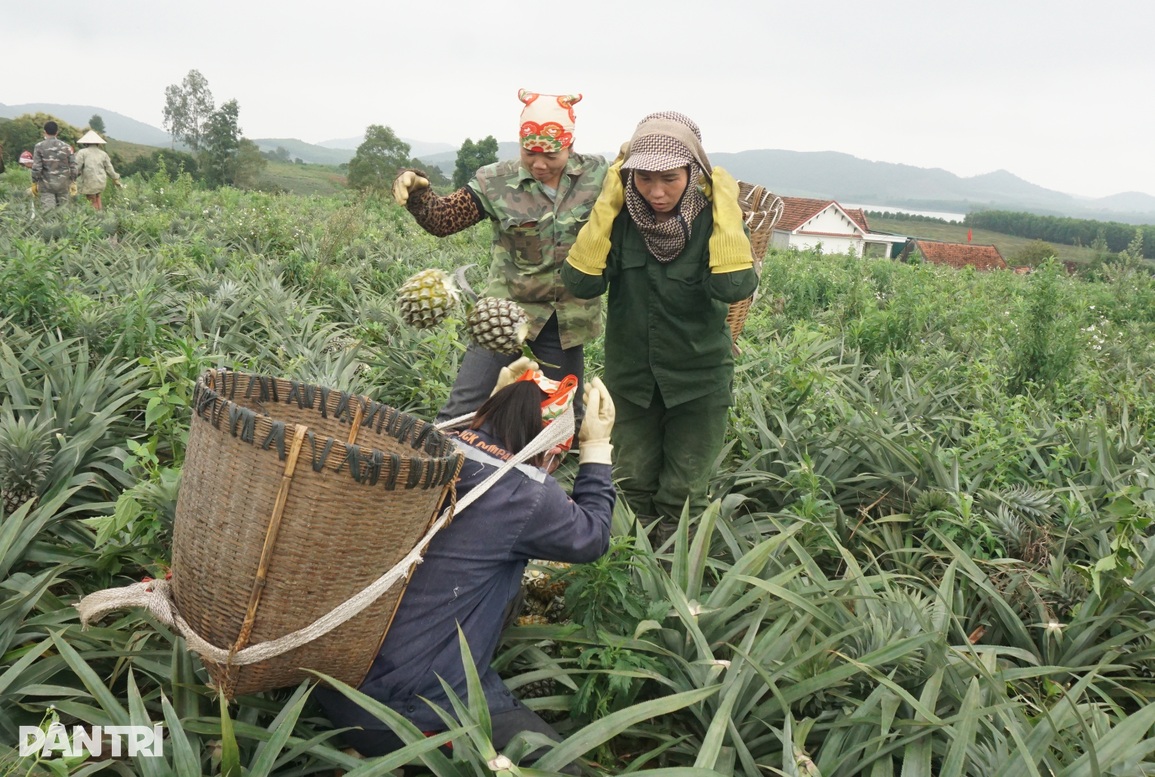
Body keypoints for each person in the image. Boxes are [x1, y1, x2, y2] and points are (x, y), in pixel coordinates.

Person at [315, 362, 616, 771]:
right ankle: (388, 752)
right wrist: (597, 447)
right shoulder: (526, 496)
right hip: (407, 710)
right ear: (551, 445)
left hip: (331, 679)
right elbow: (592, 536)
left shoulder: (433, 446)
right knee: (562, 767)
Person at [562, 111, 759, 543]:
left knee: (683, 495)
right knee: (629, 486)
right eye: (643, 179)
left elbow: (734, 286)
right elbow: (580, 282)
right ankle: (628, 573)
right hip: (632, 380)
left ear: (694, 172)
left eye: (670, 178)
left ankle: (670, 578)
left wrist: (726, 211)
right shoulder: (622, 218)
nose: (656, 192)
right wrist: (605, 208)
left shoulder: (712, 219)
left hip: (698, 380)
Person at [391, 89, 608, 426]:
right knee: (463, 410)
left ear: (570, 144)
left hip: (564, 322)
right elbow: (444, 219)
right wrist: (418, 190)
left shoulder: (599, 176)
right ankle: (443, 474)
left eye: (551, 154)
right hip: (503, 313)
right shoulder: (496, 182)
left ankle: (540, 478)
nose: (539, 163)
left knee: (561, 419)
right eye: (529, 152)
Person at [30, 121, 77, 211]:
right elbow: (73, 166)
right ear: (57, 132)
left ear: (45, 131)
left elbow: (37, 168)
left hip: (46, 186)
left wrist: (34, 182)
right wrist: (73, 181)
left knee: (48, 215)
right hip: (63, 185)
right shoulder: (67, 147)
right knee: (64, 214)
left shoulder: (39, 146)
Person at [74, 130, 122, 210]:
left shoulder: (82, 152)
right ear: (98, 143)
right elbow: (109, 169)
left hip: (90, 181)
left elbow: (76, 167)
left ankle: (95, 218)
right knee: (97, 197)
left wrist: (71, 177)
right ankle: (100, 216)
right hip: (101, 181)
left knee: (91, 200)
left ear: (86, 143)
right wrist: (115, 177)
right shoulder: (103, 154)